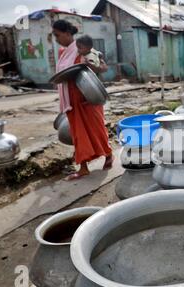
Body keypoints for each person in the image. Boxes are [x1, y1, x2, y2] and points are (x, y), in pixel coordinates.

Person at [52, 20, 113, 181]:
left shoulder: (84, 49)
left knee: (97, 128)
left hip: (88, 96)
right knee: (78, 133)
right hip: (71, 98)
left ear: (67, 33)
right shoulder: (62, 52)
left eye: (58, 35)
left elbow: (102, 67)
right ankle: (84, 167)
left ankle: (108, 155)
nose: (56, 39)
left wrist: (95, 66)